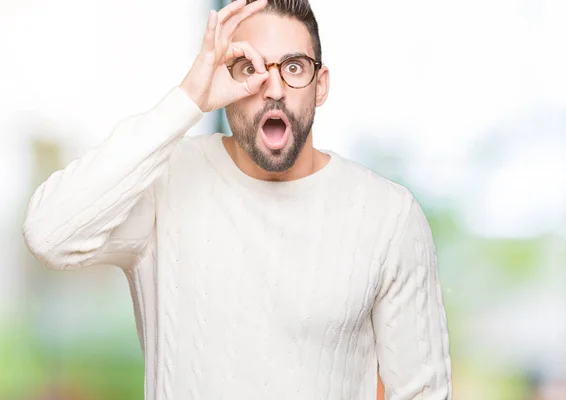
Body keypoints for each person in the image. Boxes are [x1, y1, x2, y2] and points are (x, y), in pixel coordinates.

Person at [21, 0, 452, 398]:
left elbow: (423, 392)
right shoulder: (165, 182)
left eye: (294, 68)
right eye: (252, 68)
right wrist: (188, 99)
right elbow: (49, 235)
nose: (275, 89)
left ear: (320, 86)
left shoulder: (388, 216)